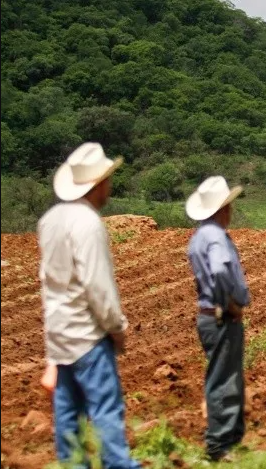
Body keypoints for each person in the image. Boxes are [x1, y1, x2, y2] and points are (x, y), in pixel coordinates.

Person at [38, 142, 140, 468]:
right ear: (97, 184)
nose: (110, 185)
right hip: (88, 335)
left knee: (67, 414)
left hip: (60, 335)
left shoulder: (49, 220)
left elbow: (48, 283)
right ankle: (119, 464)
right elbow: (97, 285)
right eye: (107, 179)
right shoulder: (88, 223)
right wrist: (117, 327)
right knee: (106, 408)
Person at [185, 176, 251, 462]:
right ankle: (219, 446)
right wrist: (230, 303)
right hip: (221, 316)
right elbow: (221, 270)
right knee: (223, 380)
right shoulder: (215, 236)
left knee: (228, 376)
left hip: (209, 316)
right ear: (223, 208)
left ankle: (231, 438)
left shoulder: (199, 236)